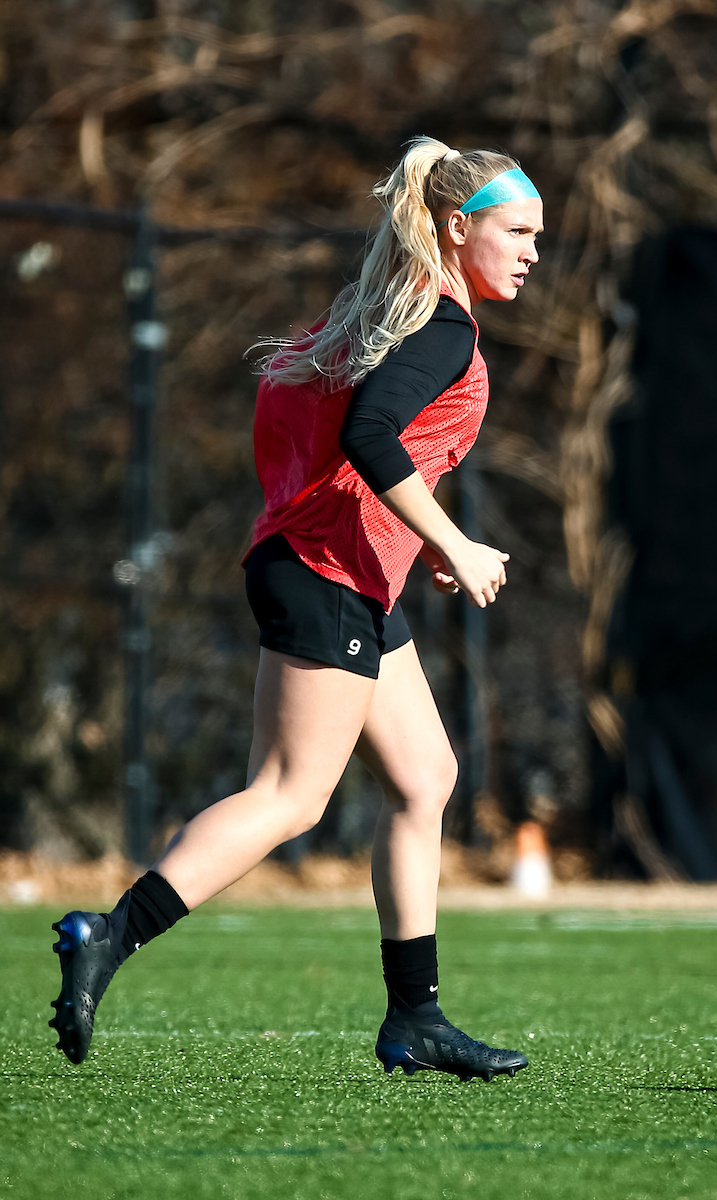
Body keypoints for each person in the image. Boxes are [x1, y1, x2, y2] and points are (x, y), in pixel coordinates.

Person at [48, 136, 543, 1083]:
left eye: (536, 235)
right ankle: (107, 936)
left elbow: (322, 434)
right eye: (516, 232)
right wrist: (452, 542)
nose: (529, 251)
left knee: (424, 777)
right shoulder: (439, 327)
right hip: (326, 573)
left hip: (336, 568)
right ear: (456, 227)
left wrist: (414, 538)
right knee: (290, 794)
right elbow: (368, 435)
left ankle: (415, 1020)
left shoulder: (387, 313)